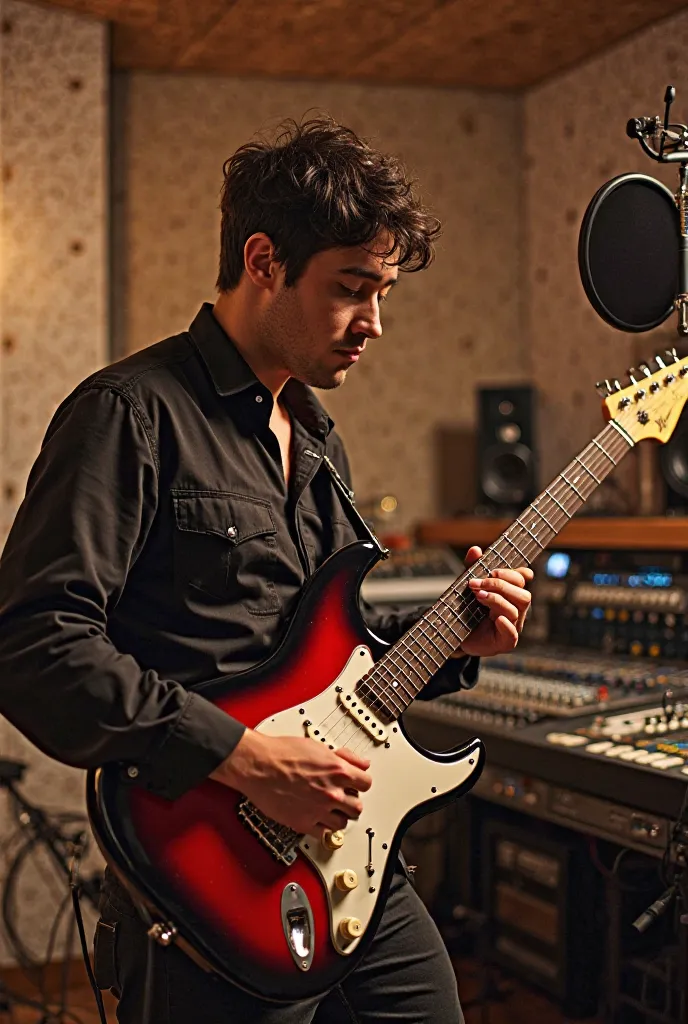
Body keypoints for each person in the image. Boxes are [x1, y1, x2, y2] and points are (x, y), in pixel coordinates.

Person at [0, 118, 533, 1023]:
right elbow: (32, 645)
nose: (373, 323)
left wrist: (454, 643)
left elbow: (329, 663)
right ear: (263, 260)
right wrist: (245, 760)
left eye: (383, 292)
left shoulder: (320, 439)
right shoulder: (129, 413)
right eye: (352, 289)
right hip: (211, 868)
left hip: (347, 857)